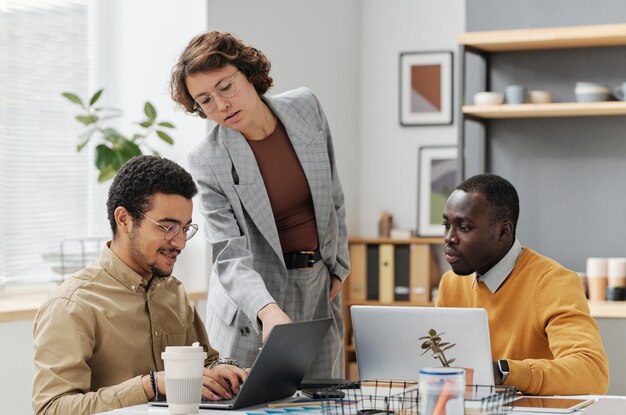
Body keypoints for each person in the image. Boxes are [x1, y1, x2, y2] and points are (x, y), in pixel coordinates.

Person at [170, 31, 350, 378]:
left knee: (325, 402)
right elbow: (229, 255)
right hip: (252, 304)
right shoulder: (208, 159)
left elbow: (334, 196)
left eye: (226, 87)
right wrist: (267, 311)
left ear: (248, 73)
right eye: (205, 100)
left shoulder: (306, 108)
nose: (221, 105)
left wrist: (339, 265)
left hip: (317, 289)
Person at [32, 156, 248, 415]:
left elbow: (206, 361)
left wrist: (220, 371)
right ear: (124, 220)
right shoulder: (72, 305)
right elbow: (51, 408)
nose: (180, 243)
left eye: (185, 229)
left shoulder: (173, 291)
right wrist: (150, 385)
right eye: (167, 227)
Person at [437, 173, 609, 395]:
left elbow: (592, 373)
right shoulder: (450, 284)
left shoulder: (553, 282)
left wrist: (503, 372)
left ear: (503, 231)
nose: (449, 237)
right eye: (446, 225)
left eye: (465, 227)